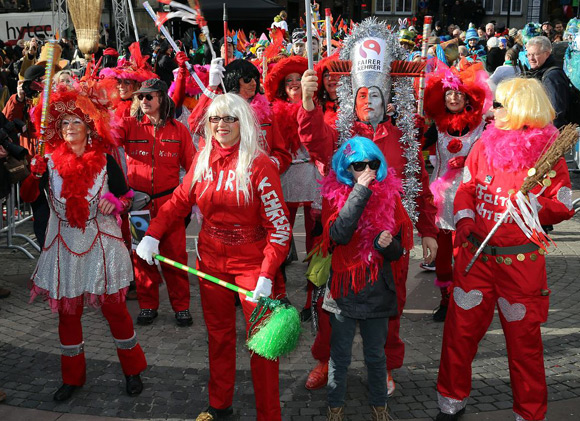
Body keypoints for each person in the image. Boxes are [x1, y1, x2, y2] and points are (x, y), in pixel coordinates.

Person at [297, 18, 438, 397]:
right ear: (352, 98)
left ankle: (386, 367)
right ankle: (324, 359)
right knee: (332, 306)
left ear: (388, 98)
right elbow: (315, 141)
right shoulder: (339, 133)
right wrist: (308, 104)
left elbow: (418, 184)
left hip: (389, 238)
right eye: (362, 95)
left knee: (392, 308)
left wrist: (427, 230)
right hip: (344, 235)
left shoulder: (404, 135)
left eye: (375, 95)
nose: (368, 102)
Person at [136, 93, 290, 421]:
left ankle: (269, 414)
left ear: (242, 122)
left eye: (229, 118)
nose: (221, 125)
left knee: (265, 344)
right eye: (215, 119)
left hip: (253, 265)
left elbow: (279, 228)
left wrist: (266, 274)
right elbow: (179, 201)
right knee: (218, 337)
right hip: (210, 263)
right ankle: (220, 404)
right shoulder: (202, 159)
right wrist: (152, 233)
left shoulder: (259, 164)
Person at [435, 78, 574, 421]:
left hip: (520, 265)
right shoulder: (484, 143)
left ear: (520, 108)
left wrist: (532, 205)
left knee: (524, 346)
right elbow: (467, 186)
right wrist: (465, 222)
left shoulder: (548, 153)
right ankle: (451, 402)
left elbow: (564, 201)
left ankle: (529, 413)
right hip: (476, 256)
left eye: (499, 105)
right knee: (459, 335)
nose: (492, 110)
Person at [21, 84, 147, 402]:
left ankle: (133, 371)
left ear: (89, 127)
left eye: (76, 122)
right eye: (64, 123)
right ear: (58, 130)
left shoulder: (105, 162)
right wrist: (31, 176)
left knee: (115, 309)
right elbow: (28, 198)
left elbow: (126, 197)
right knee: (68, 314)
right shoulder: (46, 164)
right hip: (64, 245)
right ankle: (72, 378)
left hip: (101, 245)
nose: (70, 128)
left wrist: (115, 203)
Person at [321, 137, 409, 421]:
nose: (368, 169)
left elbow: (399, 251)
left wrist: (388, 245)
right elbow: (339, 234)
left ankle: (379, 407)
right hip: (344, 291)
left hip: (377, 290)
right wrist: (359, 190)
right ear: (346, 168)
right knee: (340, 356)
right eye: (359, 165)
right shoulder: (335, 194)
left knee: (376, 356)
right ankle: (335, 408)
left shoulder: (391, 196)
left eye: (373, 163)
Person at [118, 78, 195, 327]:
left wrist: (186, 200)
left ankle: (181, 306)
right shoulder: (129, 125)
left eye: (149, 96)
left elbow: (192, 167)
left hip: (169, 206)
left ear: (162, 98)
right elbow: (107, 138)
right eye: (140, 97)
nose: (144, 101)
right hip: (138, 207)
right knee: (141, 257)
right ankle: (148, 305)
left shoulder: (178, 130)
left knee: (175, 257)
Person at [423, 62, 491, 322]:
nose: (453, 98)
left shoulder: (480, 129)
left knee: (464, 252)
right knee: (442, 256)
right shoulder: (437, 126)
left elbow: (490, 158)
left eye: (458, 94)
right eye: (449, 93)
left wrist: (469, 160)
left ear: (467, 98)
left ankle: (466, 298)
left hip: (468, 199)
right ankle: (445, 300)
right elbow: (414, 147)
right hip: (439, 200)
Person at [524, 36, 570, 128]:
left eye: (535, 54)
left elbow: (556, 112)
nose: (531, 58)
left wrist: (549, 135)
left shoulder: (552, 76)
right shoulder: (539, 71)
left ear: (547, 54)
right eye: (528, 55)